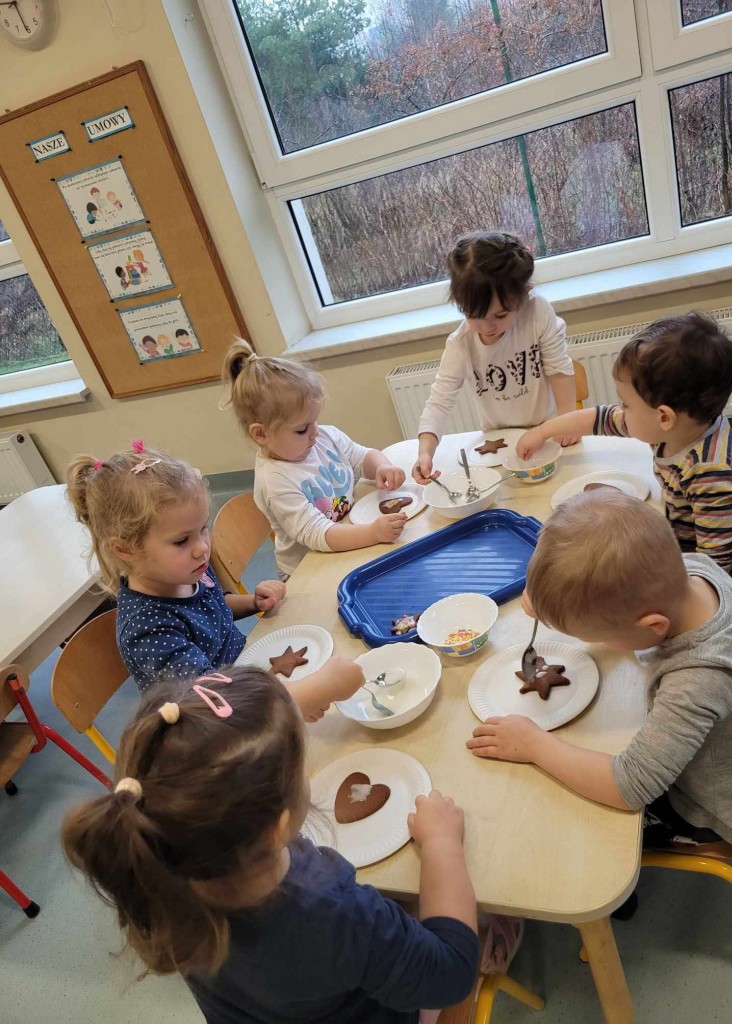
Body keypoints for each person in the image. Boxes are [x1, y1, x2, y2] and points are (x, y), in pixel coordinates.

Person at [62, 669, 480, 1024]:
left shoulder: (164, 875)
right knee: (484, 908)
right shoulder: (336, 912)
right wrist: (441, 843)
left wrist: (317, 689)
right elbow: (451, 974)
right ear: (279, 827)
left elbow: (216, 748)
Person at [467, 490, 732, 852]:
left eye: (598, 637)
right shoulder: (693, 570)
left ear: (653, 625)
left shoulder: (700, 679)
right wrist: (549, 598)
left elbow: (630, 786)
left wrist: (534, 744)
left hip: (719, 811)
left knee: (580, 839)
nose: (597, 642)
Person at [516, 311, 732, 581]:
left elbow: (713, 569)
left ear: (664, 417)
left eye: (626, 404)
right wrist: (543, 431)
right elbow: (601, 418)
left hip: (706, 577)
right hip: (682, 543)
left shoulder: (709, 473)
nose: (621, 411)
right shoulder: (684, 424)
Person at [66, 441, 289, 693]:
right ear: (125, 548)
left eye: (202, 529)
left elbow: (213, 609)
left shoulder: (187, 569)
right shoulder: (148, 630)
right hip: (219, 706)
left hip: (244, 676)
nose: (202, 548)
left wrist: (254, 603)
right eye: (181, 541)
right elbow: (212, 697)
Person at [222, 340, 408, 578]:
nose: (315, 433)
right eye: (302, 429)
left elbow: (360, 456)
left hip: (346, 534)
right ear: (261, 434)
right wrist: (373, 533)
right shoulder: (275, 482)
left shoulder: (323, 437)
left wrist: (382, 465)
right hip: (308, 569)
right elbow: (318, 534)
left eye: (315, 421)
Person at [412, 231, 578, 485]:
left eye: (500, 316)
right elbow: (439, 403)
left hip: (546, 432)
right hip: (499, 444)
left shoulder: (537, 312)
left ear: (524, 294)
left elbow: (559, 369)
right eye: (473, 315)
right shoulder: (461, 343)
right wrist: (425, 453)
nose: (487, 326)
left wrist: (567, 421)